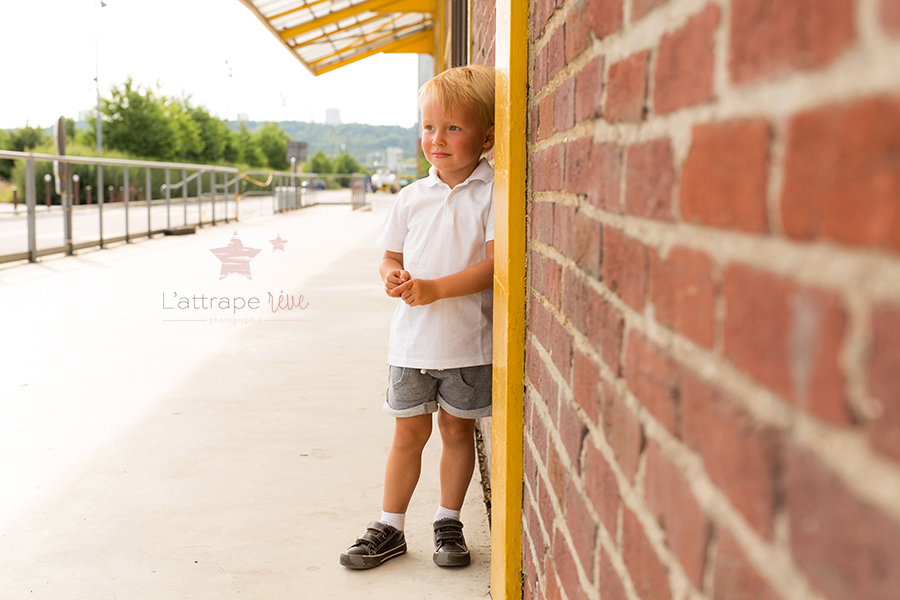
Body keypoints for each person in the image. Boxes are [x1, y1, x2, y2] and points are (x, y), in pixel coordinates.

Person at [340, 64, 496, 570]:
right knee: (407, 434)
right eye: (430, 127)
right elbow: (391, 257)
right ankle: (391, 526)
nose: (438, 139)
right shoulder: (410, 197)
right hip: (412, 343)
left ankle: (448, 520)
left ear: (488, 136)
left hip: (468, 343)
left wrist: (435, 289)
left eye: (454, 127)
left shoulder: (493, 193)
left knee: (456, 432)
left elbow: (494, 266)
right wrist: (393, 276)